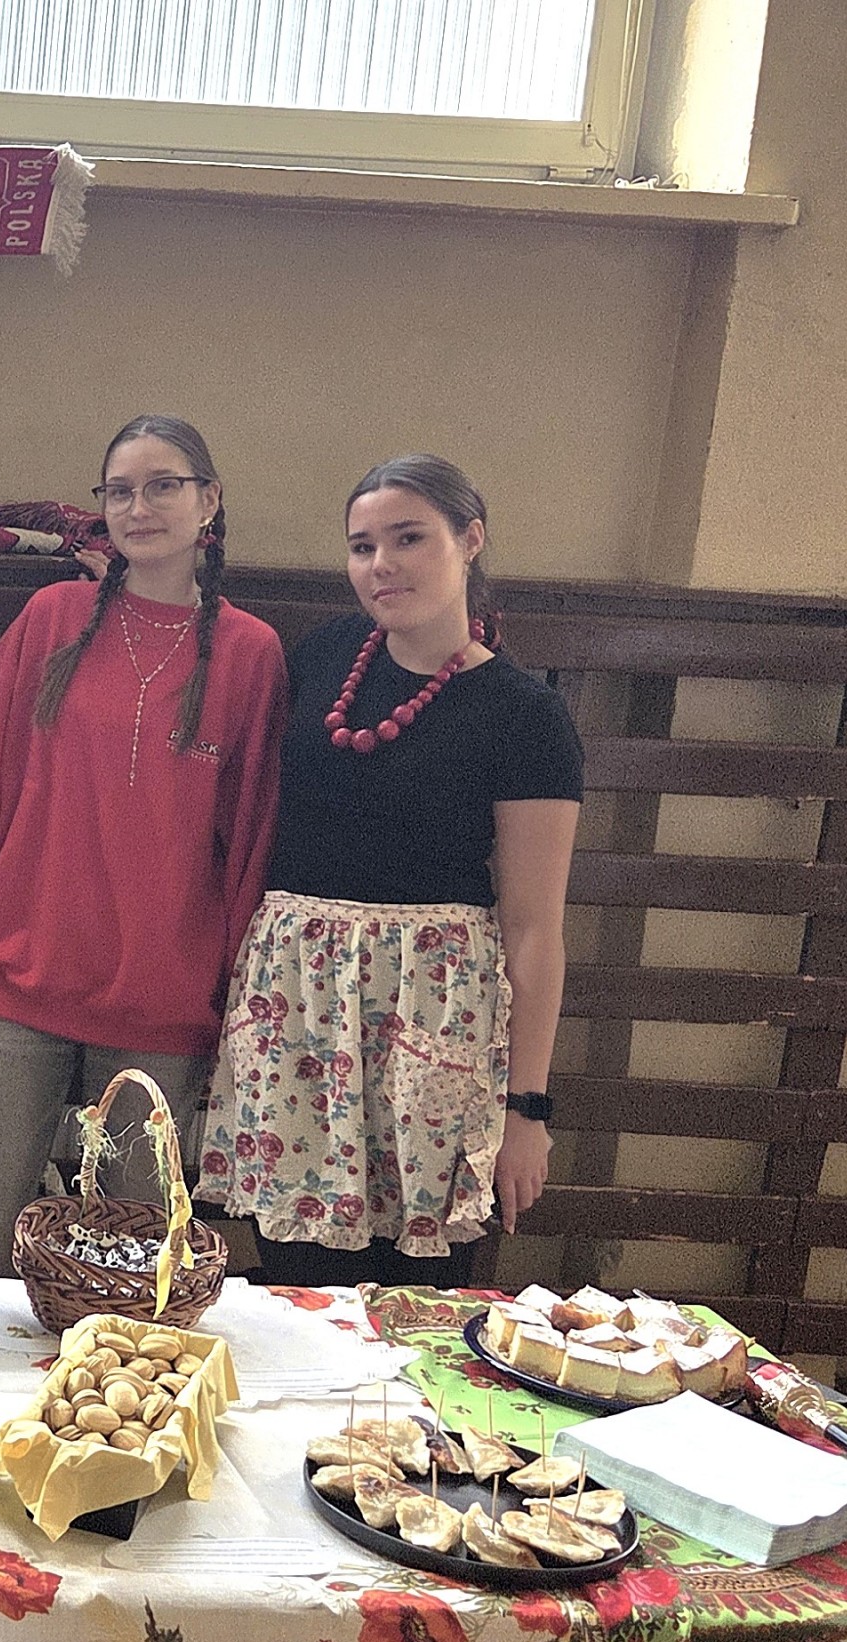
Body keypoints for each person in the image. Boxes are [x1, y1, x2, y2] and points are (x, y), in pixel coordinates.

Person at [0, 416, 288, 1278]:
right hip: (17, 981)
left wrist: (232, 996)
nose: (138, 507)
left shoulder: (250, 653)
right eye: (119, 491)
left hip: (163, 1005)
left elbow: (252, 837)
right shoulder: (51, 618)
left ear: (209, 501)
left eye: (162, 486)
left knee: (134, 1265)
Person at [197, 454, 581, 1288]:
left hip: (431, 1012)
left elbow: (533, 928)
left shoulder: (526, 716)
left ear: (469, 540)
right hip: (296, 1005)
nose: (382, 564)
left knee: (416, 1292)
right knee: (295, 1279)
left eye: (408, 539)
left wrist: (527, 1110)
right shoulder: (321, 656)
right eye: (362, 545)